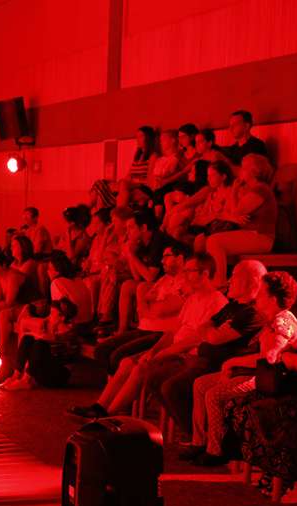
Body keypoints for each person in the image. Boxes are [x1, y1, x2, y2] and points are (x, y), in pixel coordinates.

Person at [70, 253, 228, 418]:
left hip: (187, 356)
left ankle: (108, 416)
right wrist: (153, 350)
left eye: (190, 271)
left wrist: (163, 353)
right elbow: (173, 332)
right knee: (127, 362)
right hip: (173, 350)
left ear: (205, 273)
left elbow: (195, 340)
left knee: (140, 369)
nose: (185, 275)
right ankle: (99, 407)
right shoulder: (193, 298)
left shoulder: (217, 302)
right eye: (186, 270)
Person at [188, 271, 297, 466]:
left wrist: (234, 362)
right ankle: (200, 442)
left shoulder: (282, 322)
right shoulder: (272, 318)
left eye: (261, 293)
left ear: (273, 298)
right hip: (258, 374)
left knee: (213, 395)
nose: (256, 297)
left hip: (269, 381)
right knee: (200, 384)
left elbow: (270, 358)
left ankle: (216, 451)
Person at [228, 272, 297, 497]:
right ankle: (270, 469)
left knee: (271, 412)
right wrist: (292, 357)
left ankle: (280, 474)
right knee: (248, 405)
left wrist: (292, 358)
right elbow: (290, 353)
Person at [93, 244, 189, 375]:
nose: (162, 261)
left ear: (180, 258)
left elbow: (159, 310)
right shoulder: (164, 279)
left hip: (161, 333)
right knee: (101, 350)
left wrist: (149, 305)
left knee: (117, 356)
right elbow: (142, 308)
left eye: (166, 256)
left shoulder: (186, 282)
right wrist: (149, 305)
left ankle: (122, 387)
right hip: (144, 327)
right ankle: (116, 384)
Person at [200, 153, 277, 287]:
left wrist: (234, 191)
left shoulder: (261, 189)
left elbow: (236, 211)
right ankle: (220, 279)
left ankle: (220, 280)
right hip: (252, 235)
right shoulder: (251, 189)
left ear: (253, 171)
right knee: (210, 240)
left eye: (243, 167)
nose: (240, 170)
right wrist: (234, 197)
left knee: (214, 241)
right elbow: (231, 210)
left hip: (261, 237)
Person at [0, 298, 81, 390]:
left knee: (40, 343)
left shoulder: (67, 331)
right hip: (49, 369)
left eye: (52, 314)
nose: (49, 317)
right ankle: (16, 376)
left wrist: (35, 331)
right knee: (28, 338)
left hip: (59, 376)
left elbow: (45, 338)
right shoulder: (56, 327)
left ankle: (26, 381)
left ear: (61, 317)